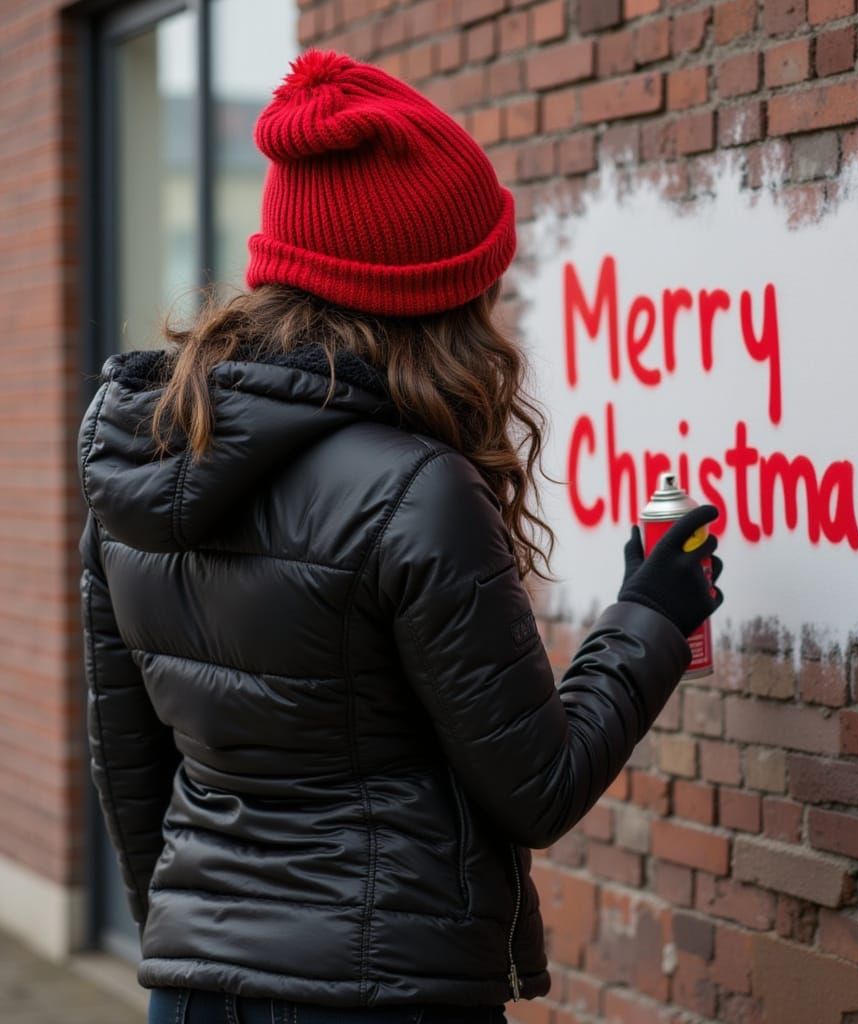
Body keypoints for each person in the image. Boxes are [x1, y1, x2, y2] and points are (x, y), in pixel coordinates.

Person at [76, 49, 724, 1024]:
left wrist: (197, 943)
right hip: (377, 997)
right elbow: (537, 785)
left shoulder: (142, 463)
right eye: (482, 287)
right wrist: (652, 618)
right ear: (432, 300)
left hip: (191, 991)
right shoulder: (416, 492)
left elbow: (131, 773)